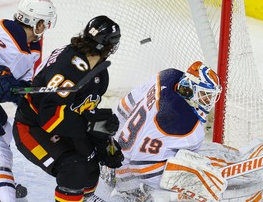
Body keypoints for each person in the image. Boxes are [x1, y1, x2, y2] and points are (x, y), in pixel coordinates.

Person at [12, 15, 124, 202]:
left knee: (91, 167)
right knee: (74, 167)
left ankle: (80, 198)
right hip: (31, 128)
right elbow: (49, 118)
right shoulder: (68, 69)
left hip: (60, 122)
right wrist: (89, 125)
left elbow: (83, 109)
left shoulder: (98, 70)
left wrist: (103, 141)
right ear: (108, 46)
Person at [93, 61, 225, 201]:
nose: (208, 101)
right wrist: (178, 183)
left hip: (109, 154)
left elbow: (124, 107)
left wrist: (110, 141)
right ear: (190, 88)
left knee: (91, 194)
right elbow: (141, 167)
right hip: (127, 174)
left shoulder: (165, 77)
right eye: (205, 94)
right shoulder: (188, 127)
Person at [0, 0, 57, 202]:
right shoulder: (4, 33)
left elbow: (19, 81)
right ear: (37, 24)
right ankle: (3, 195)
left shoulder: (31, 48)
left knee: (4, 131)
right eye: (44, 23)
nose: (44, 29)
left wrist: (23, 92)